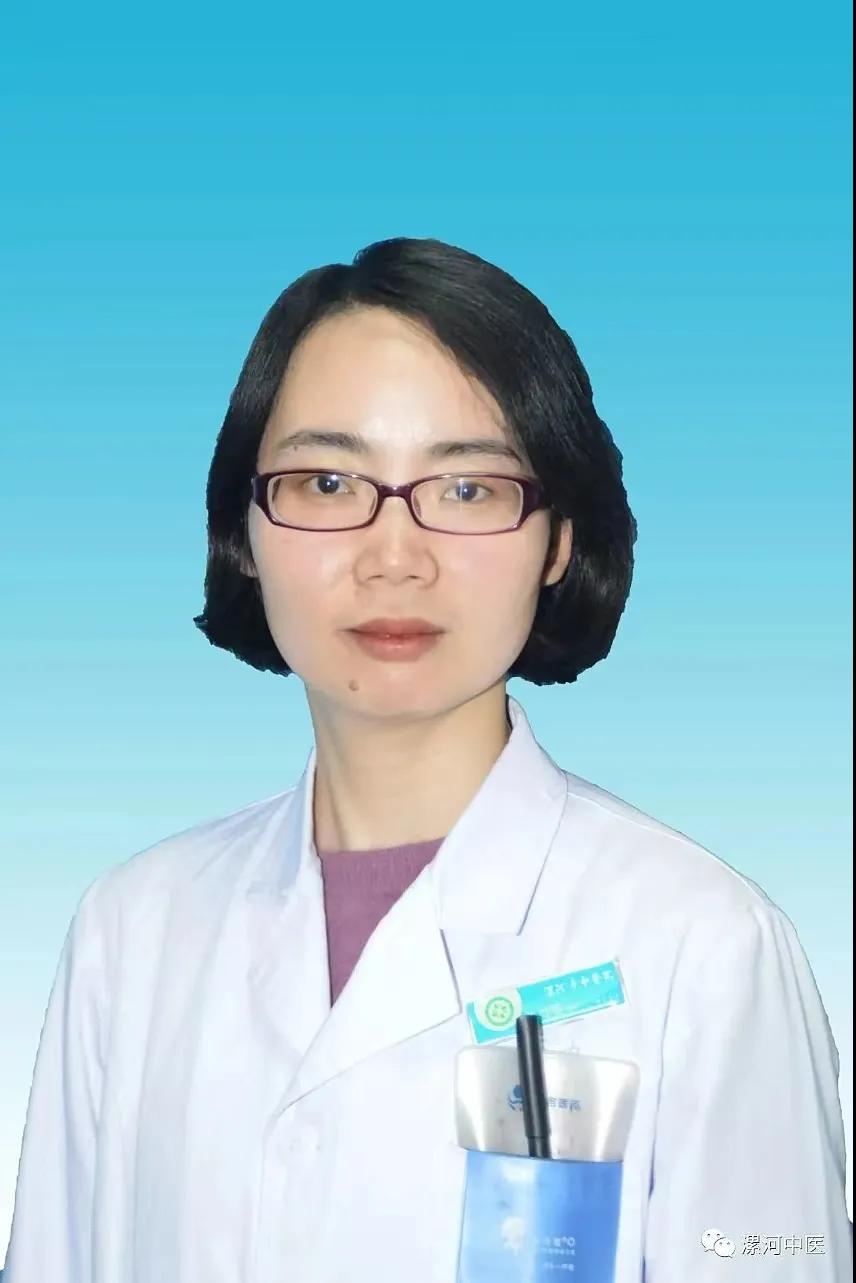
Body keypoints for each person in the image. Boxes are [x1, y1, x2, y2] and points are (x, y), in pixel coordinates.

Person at [3, 237, 850, 1282]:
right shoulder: (131, 933)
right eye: (326, 480)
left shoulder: (706, 947)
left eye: (466, 489)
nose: (394, 556)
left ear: (558, 540)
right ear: (243, 530)